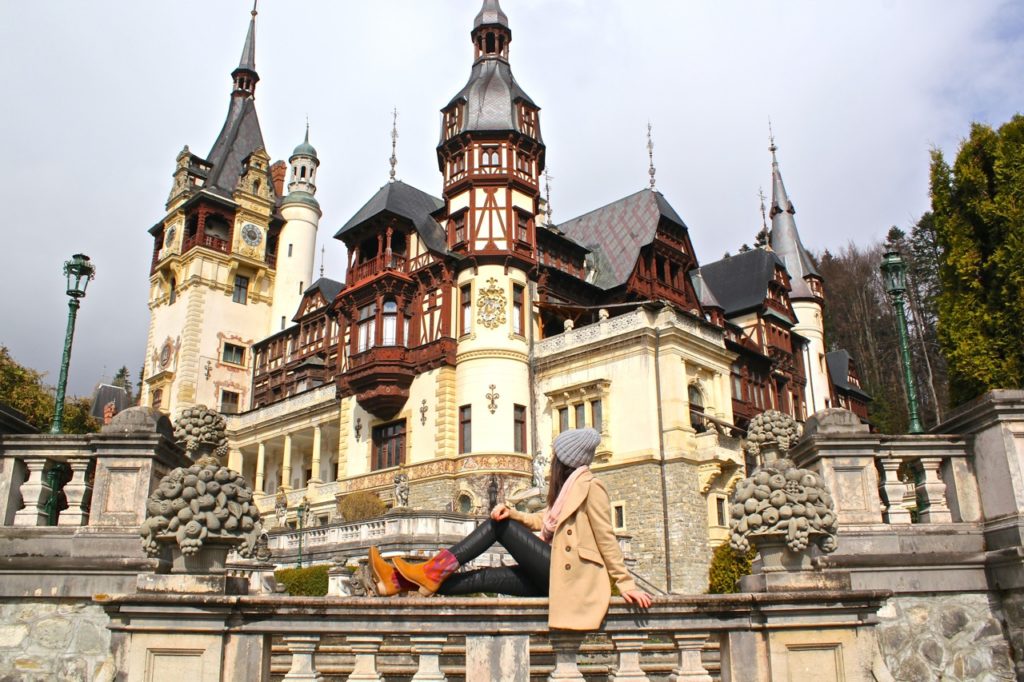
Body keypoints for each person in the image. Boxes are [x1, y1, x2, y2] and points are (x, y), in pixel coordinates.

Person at [369, 428, 653, 630]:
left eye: (556, 455)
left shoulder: (592, 487)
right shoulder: (568, 490)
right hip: (553, 576)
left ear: (565, 459)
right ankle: (401, 581)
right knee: (484, 577)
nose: (552, 460)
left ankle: (430, 570)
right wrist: (515, 513)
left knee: (499, 526)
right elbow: (545, 520)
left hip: (572, 576)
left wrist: (626, 583)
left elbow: (606, 538)